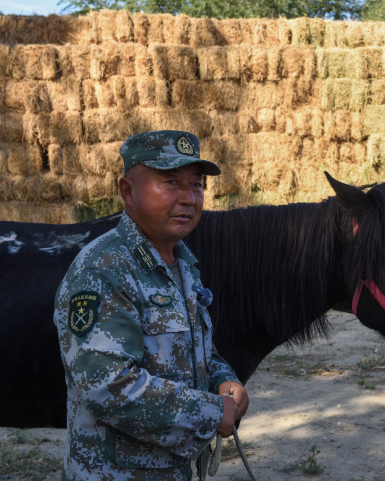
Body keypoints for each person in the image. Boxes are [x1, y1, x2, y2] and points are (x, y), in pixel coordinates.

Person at [53, 130, 249, 480]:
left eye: (197, 185)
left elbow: (191, 348)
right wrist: (210, 412)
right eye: (171, 182)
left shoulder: (181, 263)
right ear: (127, 192)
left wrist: (223, 379)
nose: (189, 198)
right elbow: (108, 385)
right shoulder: (103, 270)